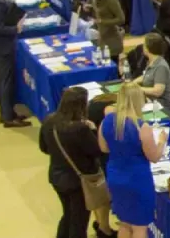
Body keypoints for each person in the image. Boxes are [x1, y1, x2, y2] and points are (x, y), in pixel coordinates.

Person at [102, 83, 167, 238]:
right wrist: (162, 141)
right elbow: (155, 157)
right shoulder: (141, 127)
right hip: (137, 181)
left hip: (115, 177)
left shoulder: (107, 120)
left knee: (124, 223)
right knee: (139, 228)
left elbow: (104, 148)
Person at [43, 87, 108, 238]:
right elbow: (97, 151)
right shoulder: (80, 129)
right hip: (78, 182)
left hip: (57, 177)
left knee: (67, 215)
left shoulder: (49, 121)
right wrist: (93, 130)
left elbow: (44, 147)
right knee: (79, 222)